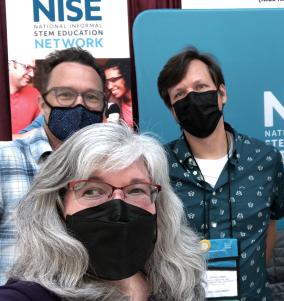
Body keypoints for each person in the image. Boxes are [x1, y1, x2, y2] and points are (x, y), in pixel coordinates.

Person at [0, 123, 205, 300]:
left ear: (159, 205)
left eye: (136, 190)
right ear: (58, 205)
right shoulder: (33, 293)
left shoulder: (179, 288)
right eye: (93, 190)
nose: (118, 208)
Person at [157, 47, 284, 301]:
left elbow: (269, 228)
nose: (192, 98)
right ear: (174, 111)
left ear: (222, 93)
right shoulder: (157, 165)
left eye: (201, 87)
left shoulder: (265, 159)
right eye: (180, 94)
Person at [0, 47, 107, 284]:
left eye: (91, 97)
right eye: (65, 95)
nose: (80, 106)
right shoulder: (5, 161)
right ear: (43, 103)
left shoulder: (114, 170)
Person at [8, 57, 41, 134]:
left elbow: (40, 131)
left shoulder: (35, 94)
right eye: (27, 67)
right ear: (9, 64)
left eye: (33, 69)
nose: (32, 74)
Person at [104, 58, 135, 127]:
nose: (109, 86)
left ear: (126, 76)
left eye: (113, 80)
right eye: (107, 81)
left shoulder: (144, 99)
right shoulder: (111, 103)